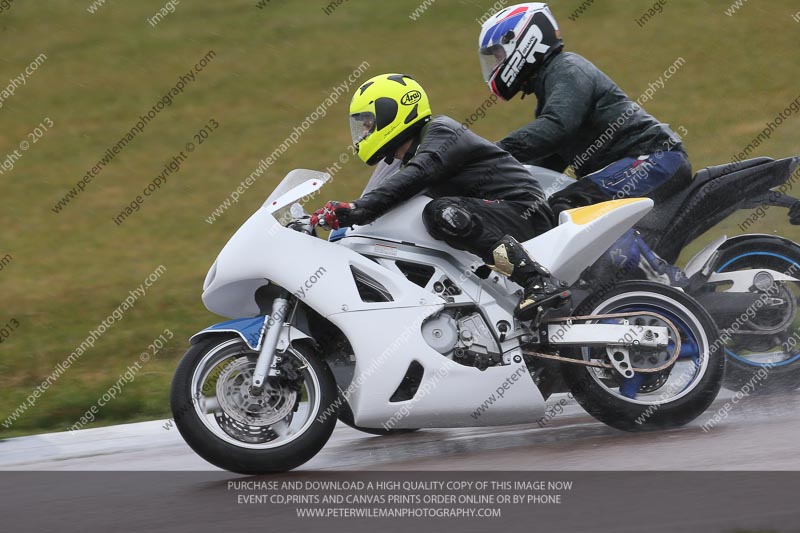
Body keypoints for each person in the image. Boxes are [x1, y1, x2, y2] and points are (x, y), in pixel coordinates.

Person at [310, 73, 570, 320]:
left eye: (369, 122)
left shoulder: (443, 132)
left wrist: (358, 208)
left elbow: (419, 173)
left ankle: (538, 281)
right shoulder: (402, 162)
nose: (364, 131)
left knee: (440, 213)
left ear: (393, 112)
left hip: (523, 212)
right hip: (493, 220)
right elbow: (380, 198)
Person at [478, 2, 689, 286]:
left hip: (654, 157)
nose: (496, 65)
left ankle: (660, 280)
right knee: (553, 207)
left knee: (572, 204)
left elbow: (555, 128)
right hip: (642, 163)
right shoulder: (551, 88)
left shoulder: (566, 69)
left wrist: (490, 153)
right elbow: (537, 167)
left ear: (524, 40)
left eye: (498, 55)